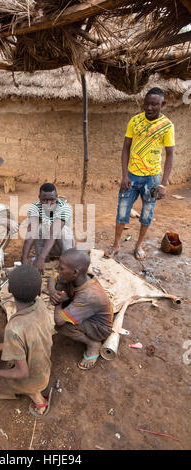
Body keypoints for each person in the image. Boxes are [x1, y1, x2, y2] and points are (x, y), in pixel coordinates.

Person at [104, 87, 175, 260]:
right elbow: (126, 147)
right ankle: (116, 245)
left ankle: (139, 246)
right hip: (132, 176)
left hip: (152, 179)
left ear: (162, 104)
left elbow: (170, 155)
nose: (149, 108)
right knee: (122, 211)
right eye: (147, 104)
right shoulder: (134, 121)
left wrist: (162, 184)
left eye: (154, 104)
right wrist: (124, 175)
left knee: (146, 214)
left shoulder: (167, 126)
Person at [0, 264, 54, 417]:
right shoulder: (41, 305)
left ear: (9, 290)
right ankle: (30, 387)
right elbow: (28, 340)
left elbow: (22, 373)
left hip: (32, 378)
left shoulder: (15, 328)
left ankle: (37, 398)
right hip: (43, 366)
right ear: (39, 292)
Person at [48, 248, 113, 370]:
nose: (58, 270)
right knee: (60, 285)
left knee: (63, 327)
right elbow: (52, 278)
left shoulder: (88, 295)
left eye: (61, 268)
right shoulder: (77, 277)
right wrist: (54, 293)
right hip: (88, 314)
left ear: (75, 272)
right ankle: (74, 315)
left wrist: (58, 302)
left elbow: (58, 321)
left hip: (100, 328)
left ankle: (93, 344)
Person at [21, 183, 74, 274]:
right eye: (44, 200)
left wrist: (41, 258)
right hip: (46, 246)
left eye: (52, 200)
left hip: (61, 246)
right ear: (39, 198)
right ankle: (44, 261)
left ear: (57, 197)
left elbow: (54, 232)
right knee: (39, 228)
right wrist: (24, 257)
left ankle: (66, 262)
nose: (48, 204)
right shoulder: (34, 208)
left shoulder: (65, 208)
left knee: (63, 231)